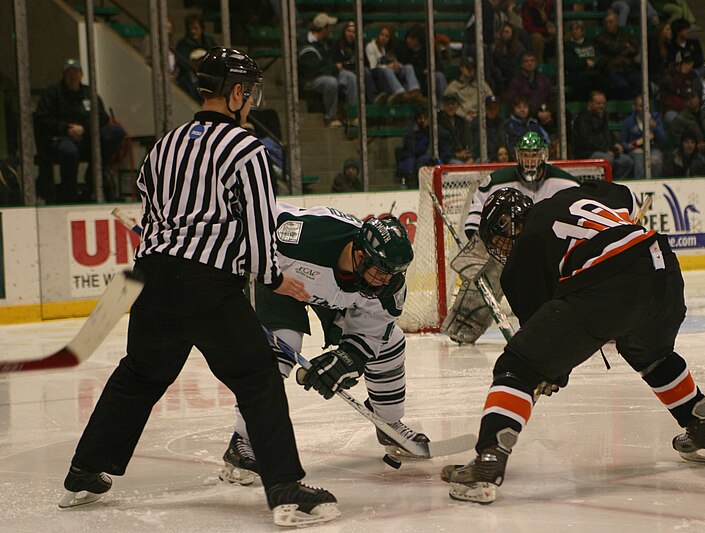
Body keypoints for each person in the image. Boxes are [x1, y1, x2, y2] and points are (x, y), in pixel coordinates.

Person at [57, 48, 340, 527]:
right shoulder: (246, 148)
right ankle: (286, 490)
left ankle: (84, 473)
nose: (251, 101)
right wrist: (273, 277)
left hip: (151, 276)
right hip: (205, 282)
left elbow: (150, 213)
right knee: (257, 378)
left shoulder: (163, 145)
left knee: (139, 376)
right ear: (235, 93)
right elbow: (257, 224)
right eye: (249, 92)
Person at [441, 183, 705, 504]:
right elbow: (624, 195)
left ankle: (488, 462)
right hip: (663, 268)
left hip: (611, 280)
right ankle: (703, 427)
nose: (500, 245)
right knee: (652, 355)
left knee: (517, 366)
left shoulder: (519, 261)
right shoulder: (571, 196)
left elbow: (541, 347)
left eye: (498, 237)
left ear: (508, 228)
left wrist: (549, 374)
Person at [219, 210, 423, 486]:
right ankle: (243, 439)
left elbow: (372, 330)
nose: (385, 282)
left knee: (390, 342)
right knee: (280, 350)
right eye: (380, 272)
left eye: (393, 275)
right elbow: (251, 232)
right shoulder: (301, 237)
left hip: (334, 296)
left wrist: (348, 359)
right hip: (279, 283)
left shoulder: (387, 285)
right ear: (360, 256)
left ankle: (389, 425)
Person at [442, 132, 578, 344]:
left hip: (545, 249)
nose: (529, 161)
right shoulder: (498, 180)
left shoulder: (565, 183)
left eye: (533, 156)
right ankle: (465, 322)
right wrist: (480, 244)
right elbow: (477, 214)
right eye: (525, 155)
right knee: (488, 270)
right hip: (505, 246)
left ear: (543, 156)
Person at [33, 59, 126, 203]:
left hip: (88, 138)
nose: (72, 76)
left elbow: (102, 117)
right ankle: (69, 193)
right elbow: (43, 118)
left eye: (75, 72)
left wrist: (85, 129)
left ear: (81, 75)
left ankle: (95, 172)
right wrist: (66, 128)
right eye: (69, 72)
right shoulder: (53, 93)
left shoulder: (89, 93)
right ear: (64, 75)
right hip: (62, 139)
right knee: (69, 151)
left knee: (115, 132)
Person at [298, 13, 358, 127]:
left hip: (327, 73)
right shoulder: (306, 45)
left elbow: (328, 64)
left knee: (350, 77)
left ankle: (353, 115)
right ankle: (331, 117)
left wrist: (333, 68)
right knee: (330, 82)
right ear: (323, 29)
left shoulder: (325, 43)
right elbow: (312, 71)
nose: (331, 29)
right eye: (330, 27)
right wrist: (334, 68)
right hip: (309, 80)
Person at [571, 90, 634, 180]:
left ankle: (616, 183)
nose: (601, 106)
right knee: (607, 160)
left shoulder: (603, 116)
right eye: (598, 103)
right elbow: (589, 141)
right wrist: (606, 150)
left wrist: (615, 144)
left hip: (604, 150)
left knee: (627, 161)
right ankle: (606, 185)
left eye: (603, 103)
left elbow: (608, 135)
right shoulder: (582, 119)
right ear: (590, 103)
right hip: (587, 153)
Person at [366, 25, 426, 105]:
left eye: (387, 36)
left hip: (394, 72)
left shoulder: (392, 48)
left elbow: (396, 61)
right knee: (387, 70)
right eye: (382, 35)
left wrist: (398, 65)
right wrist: (388, 66)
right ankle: (401, 93)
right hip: (380, 73)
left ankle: (415, 93)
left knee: (408, 67)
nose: (383, 38)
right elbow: (373, 66)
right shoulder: (371, 46)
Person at [595, 10, 642, 99]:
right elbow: (612, 48)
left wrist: (625, 49)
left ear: (616, 22)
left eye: (611, 22)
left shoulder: (625, 34)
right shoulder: (601, 37)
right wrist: (625, 47)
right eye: (606, 23)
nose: (608, 24)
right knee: (623, 86)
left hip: (628, 68)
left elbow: (635, 48)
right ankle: (623, 110)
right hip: (613, 70)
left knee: (640, 81)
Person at [334, 20, 380, 105]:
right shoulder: (337, 45)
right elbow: (338, 64)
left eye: (354, 32)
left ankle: (373, 99)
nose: (351, 34)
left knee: (365, 71)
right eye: (348, 31)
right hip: (344, 73)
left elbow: (365, 63)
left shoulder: (361, 45)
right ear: (344, 31)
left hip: (357, 70)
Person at [620, 95, 666, 178]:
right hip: (635, 150)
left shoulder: (656, 118)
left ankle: (656, 183)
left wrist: (654, 127)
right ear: (636, 107)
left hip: (653, 148)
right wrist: (628, 146)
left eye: (646, 106)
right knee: (639, 155)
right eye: (641, 106)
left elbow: (662, 139)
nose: (644, 109)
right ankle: (640, 181)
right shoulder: (629, 121)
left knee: (656, 157)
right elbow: (623, 141)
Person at [668, 86, 705, 153]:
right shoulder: (680, 119)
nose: (691, 101)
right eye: (688, 99)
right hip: (691, 153)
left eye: (693, 97)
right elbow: (677, 140)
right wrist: (693, 146)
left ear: (698, 98)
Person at [659, 48, 701, 127]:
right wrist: (682, 75)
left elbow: (698, 92)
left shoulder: (693, 75)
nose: (689, 65)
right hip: (672, 110)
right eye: (686, 63)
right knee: (678, 120)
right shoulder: (668, 74)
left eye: (691, 62)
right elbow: (672, 90)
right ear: (679, 63)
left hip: (690, 109)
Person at [445, 57, 495, 121]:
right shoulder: (453, 86)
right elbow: (448, 106)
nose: (470, 70)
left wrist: (483, 112)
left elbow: (491, 98)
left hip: (480, 118)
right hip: (460, 119)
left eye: (472, 68)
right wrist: (464, 115)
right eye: (467, 67)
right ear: (461, 68)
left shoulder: (481, 84)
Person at [397, 106, 436, 188]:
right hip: (411, 158)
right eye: (423, 118)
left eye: (426, 118)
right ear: (418, 119)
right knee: (423, 160)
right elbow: (416, 150)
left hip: (419, 159)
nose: (425, 121)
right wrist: (426, 134)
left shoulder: (432, 130)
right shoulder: (411, 132)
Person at [564, 20, 602, 101]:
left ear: (583, 30)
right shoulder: (567, 45)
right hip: (578, 75)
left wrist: (594, 62)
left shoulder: (590, 42)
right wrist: (585, 62)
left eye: (577, 28)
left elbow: (599, 57)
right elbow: (570, 62)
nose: (574, 31)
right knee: (584, 83)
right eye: (572, 29)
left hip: (593, 72)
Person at [439, 94, 475, 164]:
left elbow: (468, 140)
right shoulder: (439, 122)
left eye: (453, 104)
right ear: (443, 106)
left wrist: (469, 154)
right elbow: (442, 146)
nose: (450, 106)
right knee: (460, 165)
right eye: (448, 104)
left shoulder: (461, 121)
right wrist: (456, 154)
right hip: (448, 157)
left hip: (464, 155)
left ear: (457, 106)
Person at [471, 95, 507, 161]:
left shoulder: (501, 121)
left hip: (499, 154)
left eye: (495, 108)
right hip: (483, 156)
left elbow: (503, 139)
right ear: (484, 109)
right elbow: (476, 144)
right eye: (490, 108)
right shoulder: (478, 122)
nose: (493, 111)